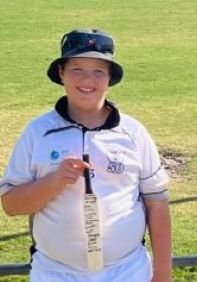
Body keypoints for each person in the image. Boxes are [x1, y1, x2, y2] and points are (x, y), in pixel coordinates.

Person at [0, 28, 172, 282]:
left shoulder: (133, 132)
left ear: (110, 76)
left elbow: (157, 204)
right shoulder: (38, 132)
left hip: (127, 270)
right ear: (61, 73)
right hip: (55, 272)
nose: (87, 80)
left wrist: (163, 275)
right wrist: (55, 181)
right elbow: (11, 205)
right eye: (76, 69)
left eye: (98, 71)